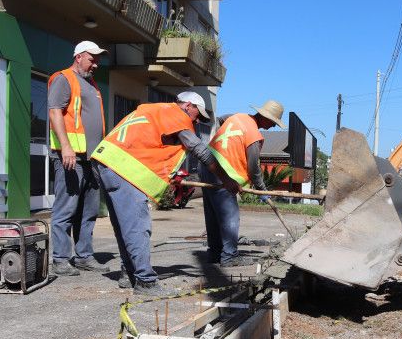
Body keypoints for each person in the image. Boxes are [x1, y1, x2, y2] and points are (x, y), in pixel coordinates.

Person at [91, 92, 240, 295]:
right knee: (137, 227)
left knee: (124, 225)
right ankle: (145, 281)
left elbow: (148, 144)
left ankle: (129, 273)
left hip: (106, 161)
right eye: (197, 114)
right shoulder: (176, 115)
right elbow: (199, 150)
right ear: (188, 105)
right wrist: (226, 180)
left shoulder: (155, 110)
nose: (196, 121)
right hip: (123, 167)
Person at [47, 41, 110, 276]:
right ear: (79, 56)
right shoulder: (64, 78)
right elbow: (55, 112)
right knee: (66, 209)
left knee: (88, 211)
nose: (96, 64)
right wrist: (65, 147)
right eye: (92, 59)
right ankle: (60, 260)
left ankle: (84, 256)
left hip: (91, 159)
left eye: (98, 60)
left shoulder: (91, 84)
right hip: (71, 157)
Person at [201, 100, 285, 267]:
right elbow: (254, 167)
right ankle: (229, 256)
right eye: (273, 122)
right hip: (223, 174)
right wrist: (262, 190)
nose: (273, 126)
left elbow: (219, 120)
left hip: (206, 164)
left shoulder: (237, 117)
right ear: (265, 117)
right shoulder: (254, 135)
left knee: (212, 213)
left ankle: (215, 253)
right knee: (230, 216)